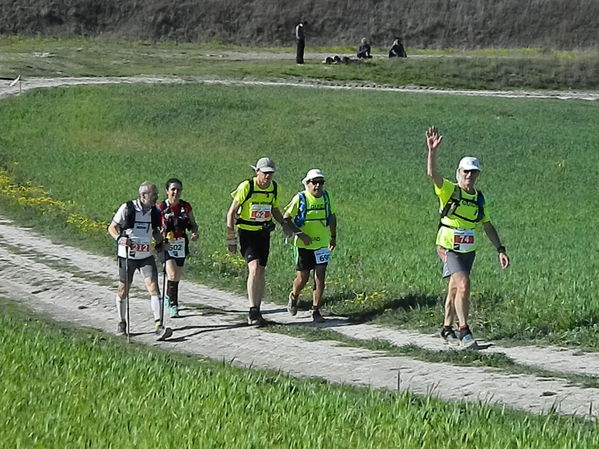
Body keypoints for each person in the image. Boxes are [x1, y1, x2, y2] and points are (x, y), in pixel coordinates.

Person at [425, 126, 510, 348]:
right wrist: (432, 151)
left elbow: (487, 224)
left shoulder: (479, 198)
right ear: (459, 173)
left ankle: (446, 328)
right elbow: (432, 175)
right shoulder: (449, 191)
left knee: (455, 287)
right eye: (466, 172)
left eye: (473, 172)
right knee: (464, 284)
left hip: (468, 249)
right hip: (447, 245)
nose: (470, 176)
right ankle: (465, 331)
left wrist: (500, 249)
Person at [108, 181, 172, 339]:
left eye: (156, 195)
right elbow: (112, 227)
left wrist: (161, 244)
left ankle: (158, 325)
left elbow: (155, 232)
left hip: (145, 257)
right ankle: (121, 322)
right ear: (143, 195)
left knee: (153, 287)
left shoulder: (155, 212)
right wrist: (119, 239)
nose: (156, 197)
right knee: (123, 289)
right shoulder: (128, 208)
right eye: (154, 195)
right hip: (127, 256)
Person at [226, 158, 285, 325]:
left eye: (270, 173)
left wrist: (285, 225)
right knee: (253, 267)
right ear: (257, 172)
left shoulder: (275, 189)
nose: (267, 176)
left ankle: (257, 309)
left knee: (260, 270)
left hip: (263, 233)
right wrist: (231, 239)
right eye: (265, 173)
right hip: (247, 233)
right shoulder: (247, 186)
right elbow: (231, 213)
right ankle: (252, 310)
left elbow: (274, 209)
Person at [283, 169, 337, 323]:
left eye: (321, 182)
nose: (318, 185)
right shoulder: (300, 198)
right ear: (307, 184)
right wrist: (300, 234)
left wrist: (333, 237)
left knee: (320, 276)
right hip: (302, 246)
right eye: (314, 182)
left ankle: (316, 310)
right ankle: (294, 296)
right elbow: (286, 218)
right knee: (303, 278)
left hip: (321, 244)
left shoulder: (327, 197)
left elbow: (332, 217)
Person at [156, 178, 199, 318]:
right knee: (172, 274)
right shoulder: (160, 208)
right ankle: (173, 304)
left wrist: (194, 232)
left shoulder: (186, 207)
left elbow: (193, 223)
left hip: (180, 244)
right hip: (165, 245)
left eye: (178, 189)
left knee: (176, 276)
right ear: (167, 191)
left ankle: (169, 297)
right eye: (173, 189)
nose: (175, 192)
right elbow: (154, 226)